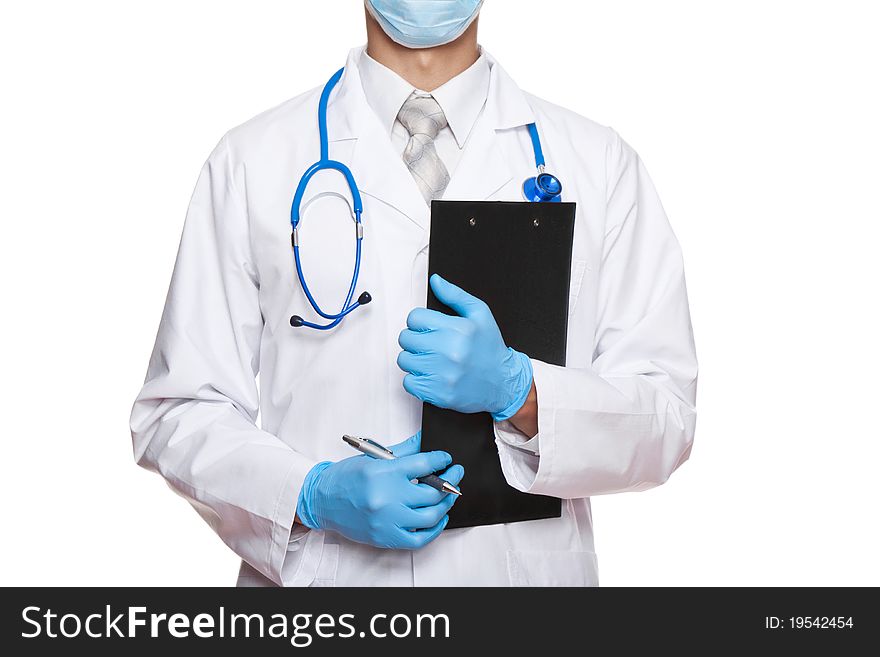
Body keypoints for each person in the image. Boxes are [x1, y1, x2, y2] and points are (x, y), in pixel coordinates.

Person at [130, 0, 698, 587]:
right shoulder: (252, 161)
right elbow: (177, 411)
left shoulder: (598, 165)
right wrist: (309, 494)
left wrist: (522, 394)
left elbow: (667, 420)